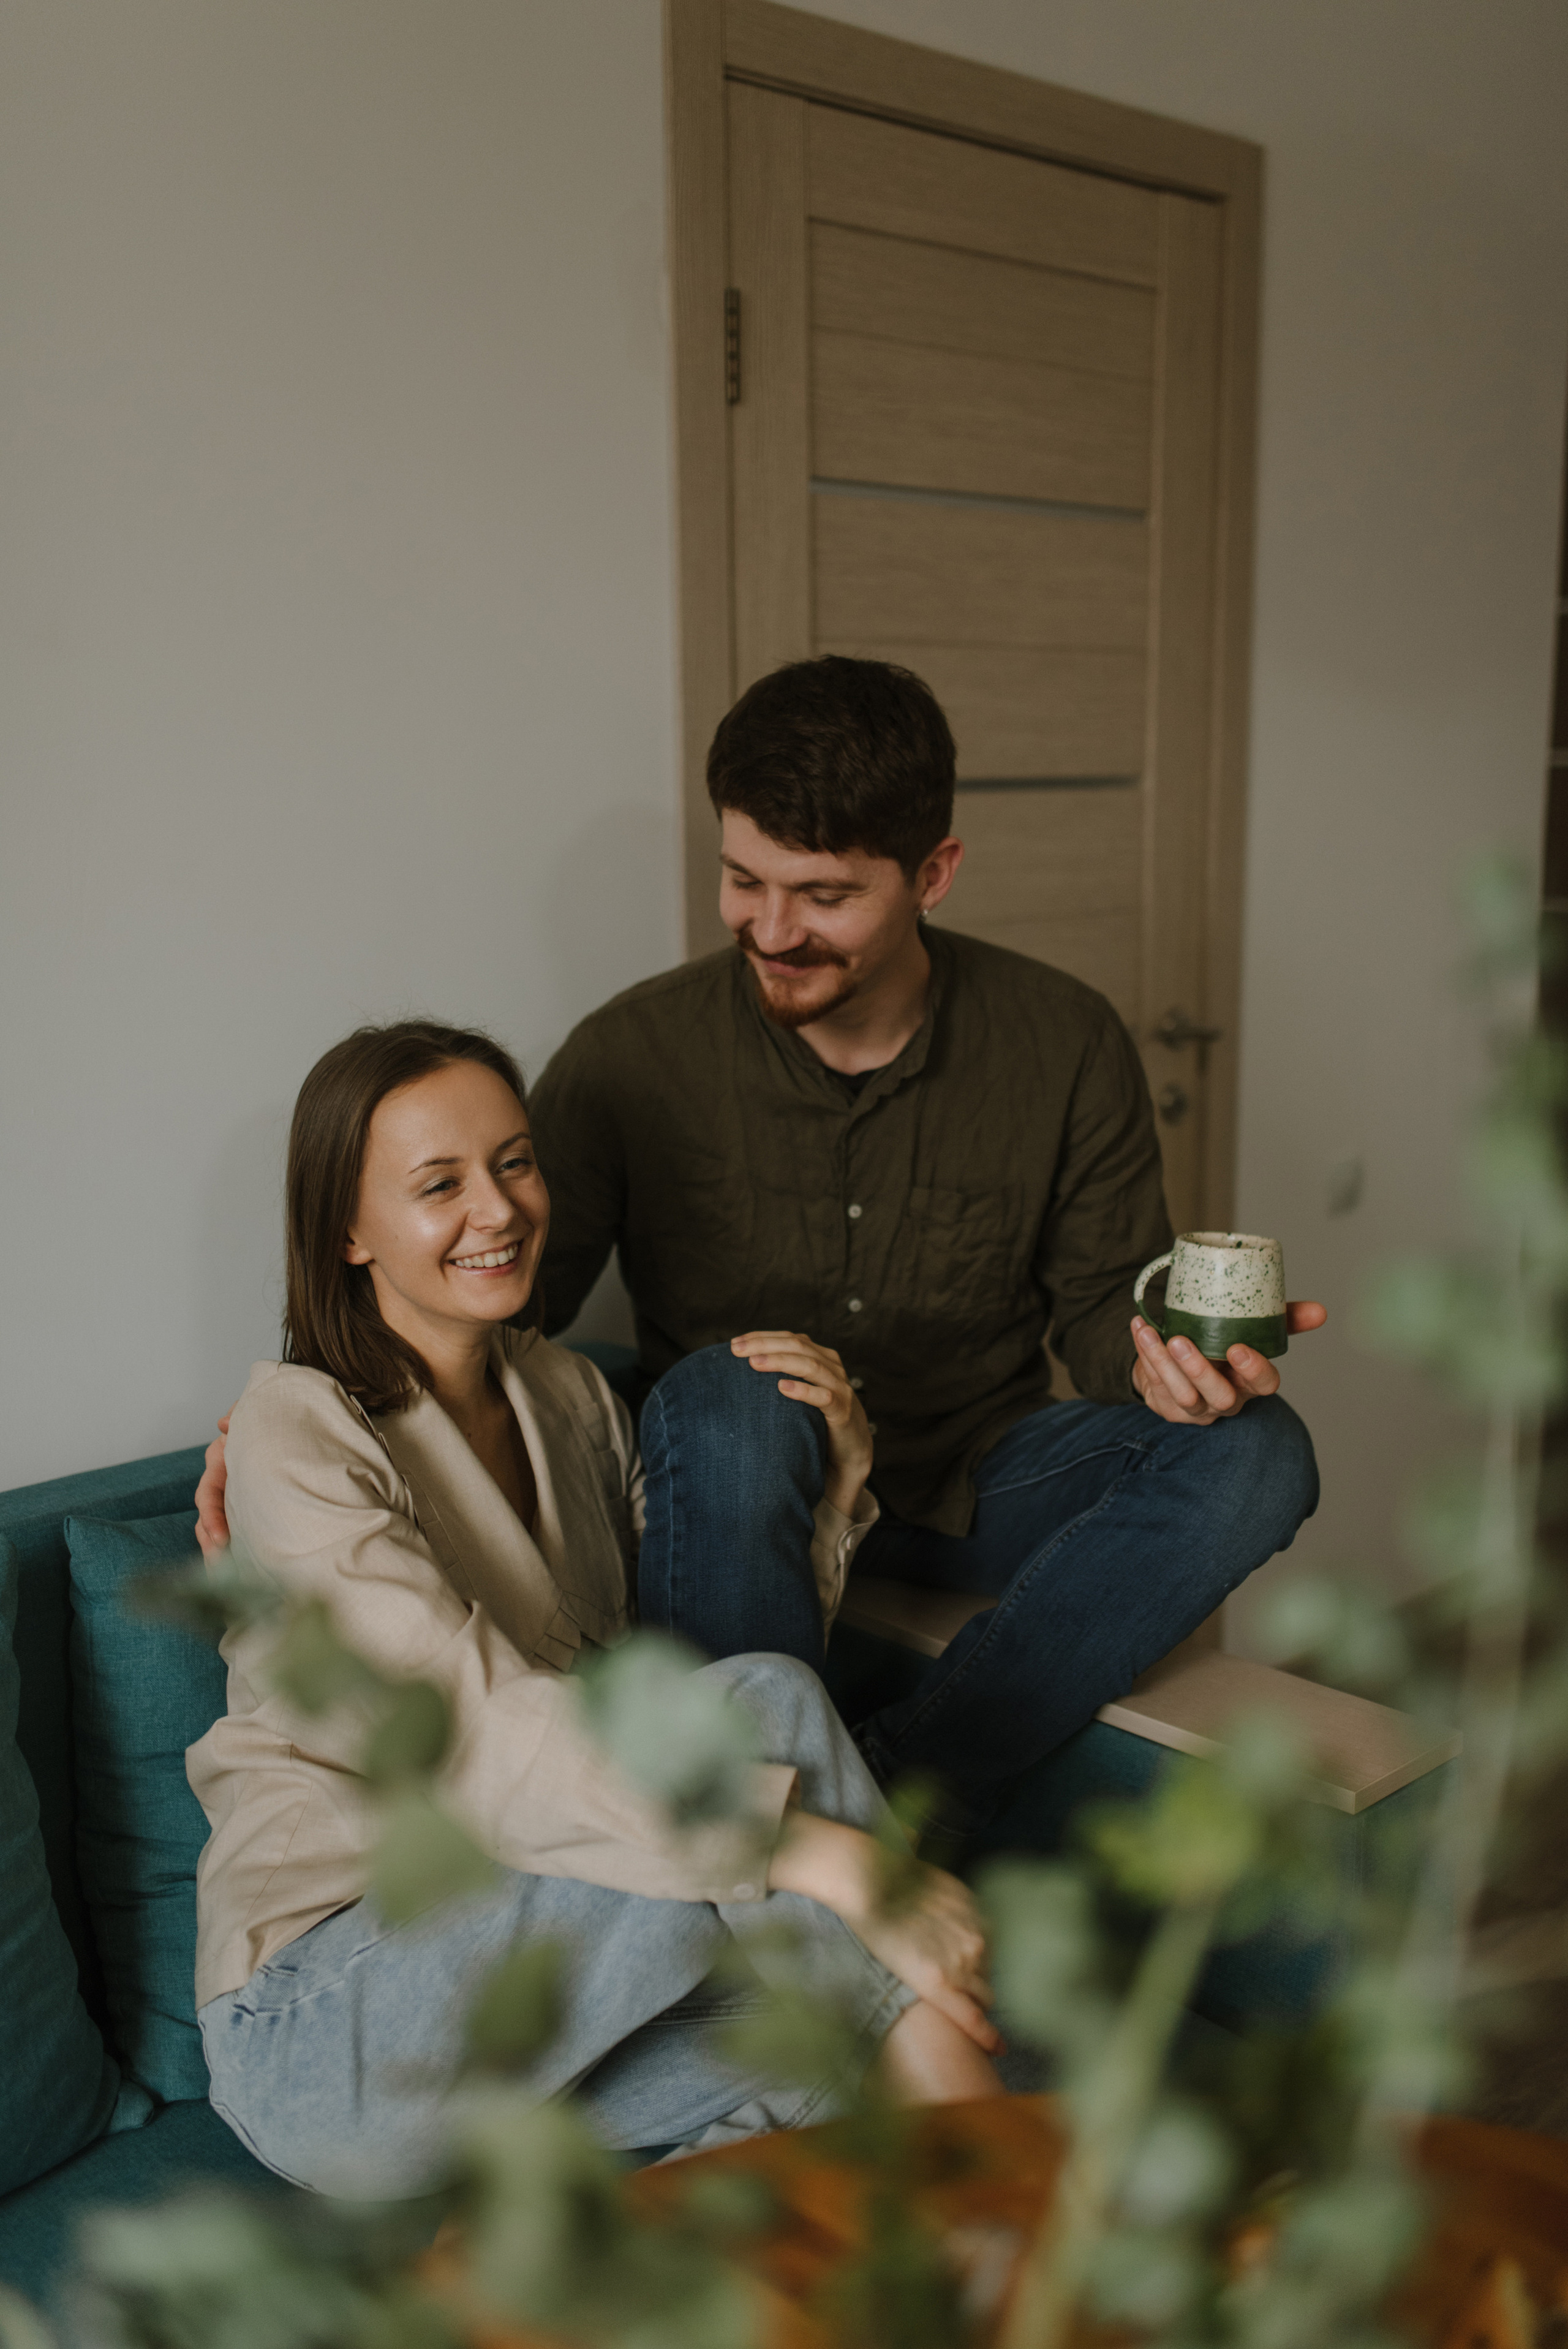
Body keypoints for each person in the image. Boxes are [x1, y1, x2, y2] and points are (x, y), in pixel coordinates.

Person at [198, 656, 1324, 1844]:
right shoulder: (630, 1055)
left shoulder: (1065, 1040)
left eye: (822, 896)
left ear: (931, 874)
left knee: (1261, 1452)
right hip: (735, 1479)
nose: (771, 929)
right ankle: (786, 1821)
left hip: (971, 1474)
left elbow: (1102, 1306)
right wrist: (305, 1415)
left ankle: (892, 1796)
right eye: (743, 880)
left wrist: (1168, 1371)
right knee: (741, 1384)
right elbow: (483, 1288)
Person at [190, 1018, 1001, 2199]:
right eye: (439, 1184)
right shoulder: (295, 1432)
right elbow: (466, 1736)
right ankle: (1017, 2174)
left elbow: (664, 1677)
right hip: (335, 2019)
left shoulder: (565, 1394)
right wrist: (829, 1855)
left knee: (835, 2047)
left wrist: (838, 1489)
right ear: (347, 1233)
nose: (501, 1208)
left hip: (550, 1973)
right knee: (766, 1715)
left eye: (515, 1162)